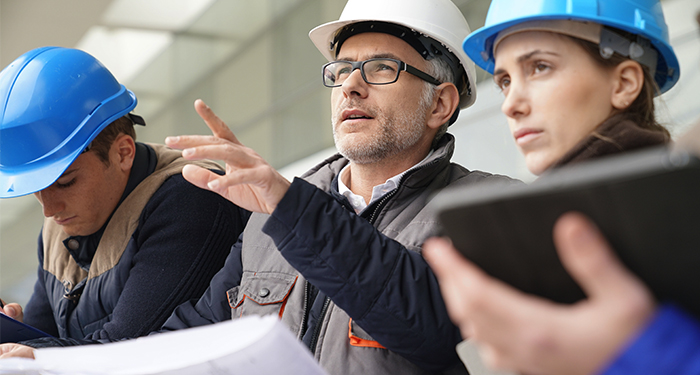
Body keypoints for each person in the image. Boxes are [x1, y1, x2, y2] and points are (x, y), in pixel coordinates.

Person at [155, 0, 514, 374]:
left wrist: (292, 209)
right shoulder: (268, 219)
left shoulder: (488, 209)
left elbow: (429, 324)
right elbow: (197, 337)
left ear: (439, 104)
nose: (351, 86)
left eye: (381, 68)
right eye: (342, 70)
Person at [423, 0, 700, 374]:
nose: (510, 104)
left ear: (624, 83)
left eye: (540, 67)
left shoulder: (682, 206)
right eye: (505, 81)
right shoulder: (543, 221)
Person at [0, 47, 249, 352]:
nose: (49, 209)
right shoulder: (58, 226)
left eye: (65, 182)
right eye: (37, 188)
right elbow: (40, 337)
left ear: (123, 152)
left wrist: (35, 351)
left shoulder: (191, 198)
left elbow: (125, 350)